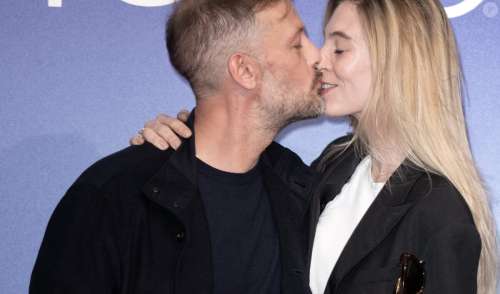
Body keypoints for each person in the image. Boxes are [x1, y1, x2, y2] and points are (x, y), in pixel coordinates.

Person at [132, 0, 497, 293]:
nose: (319, 59)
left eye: (339, 48)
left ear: (394, 60)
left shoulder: (441, 213)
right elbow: (230, 170)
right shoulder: (328, 168)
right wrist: (181, 137)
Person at [29, 0, 324, 293]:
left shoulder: (301, 187)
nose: (317, 56)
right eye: (297, 44)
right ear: (245, 70)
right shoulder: (110, 199)